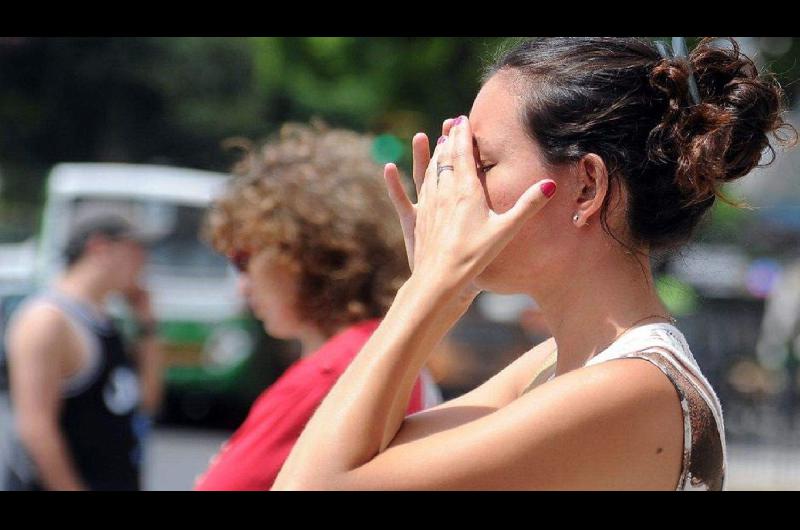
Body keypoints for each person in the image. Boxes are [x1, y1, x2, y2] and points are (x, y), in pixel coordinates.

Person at [271, 37, 795, 491]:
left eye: (483, 165)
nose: (455, 189)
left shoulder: (633, 387)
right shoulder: (553, 364)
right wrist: (445, 290)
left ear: (587, 187)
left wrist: (427, 288)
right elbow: (365, 457)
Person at [193, 123, 442, 491]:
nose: (242, 285)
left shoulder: (330, 375)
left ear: (300, 252)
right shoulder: (389, 349)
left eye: (244, 258)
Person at [2, 215, 164, 491]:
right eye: (135, 249)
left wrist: (147, 326)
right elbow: (36, 428)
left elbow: (145, 402)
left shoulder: (105, 319)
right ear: (99, 248)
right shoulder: (47, 320)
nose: (143, 261)